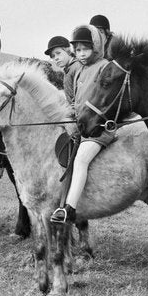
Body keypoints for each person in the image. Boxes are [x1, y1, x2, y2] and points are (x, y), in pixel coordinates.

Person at [50, 24, 118, 224]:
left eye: (85, 49)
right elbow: (75, 101)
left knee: (80, 160)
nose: (81, 54)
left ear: (96, 46)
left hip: (99, 128)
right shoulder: (79, 70)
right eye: (77, 50)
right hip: (82, 127)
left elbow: (107, 101)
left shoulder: (105, 67)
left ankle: (68, 208)